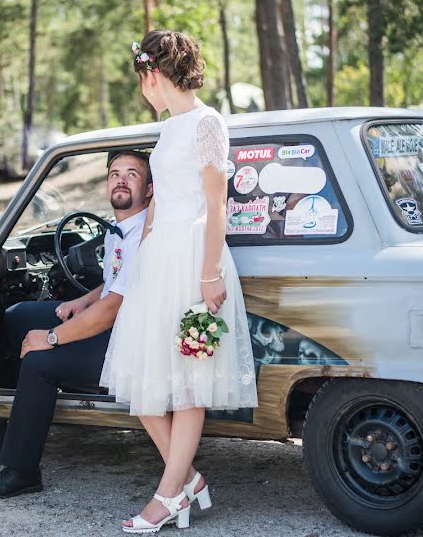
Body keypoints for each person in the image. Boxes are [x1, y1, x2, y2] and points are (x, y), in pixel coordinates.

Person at [99, 30, 258, 533]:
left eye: (143, 75)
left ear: (154, 72)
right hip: (159, 258)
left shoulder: (208, 123)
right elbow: (159, 202)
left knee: (189, 384)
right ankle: (187, 479)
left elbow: (217, 206)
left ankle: (168, 498)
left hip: (194, 258)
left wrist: (210, 273)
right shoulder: (167, 128)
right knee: (145, 381)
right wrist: (140, 257)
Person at [0, 151, 152, 499]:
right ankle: (26, 410)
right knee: (19, 314)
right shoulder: (120, 229)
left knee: (39, 362)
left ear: (150, 189)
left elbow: (113, 308)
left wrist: (51, 339)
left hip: (127, 339)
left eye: (132, 174)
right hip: (115, 322)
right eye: (114, 173)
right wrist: (82, 301)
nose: (121, 180)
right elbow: (115, 284)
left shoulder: (142, 233)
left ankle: (21, 470)